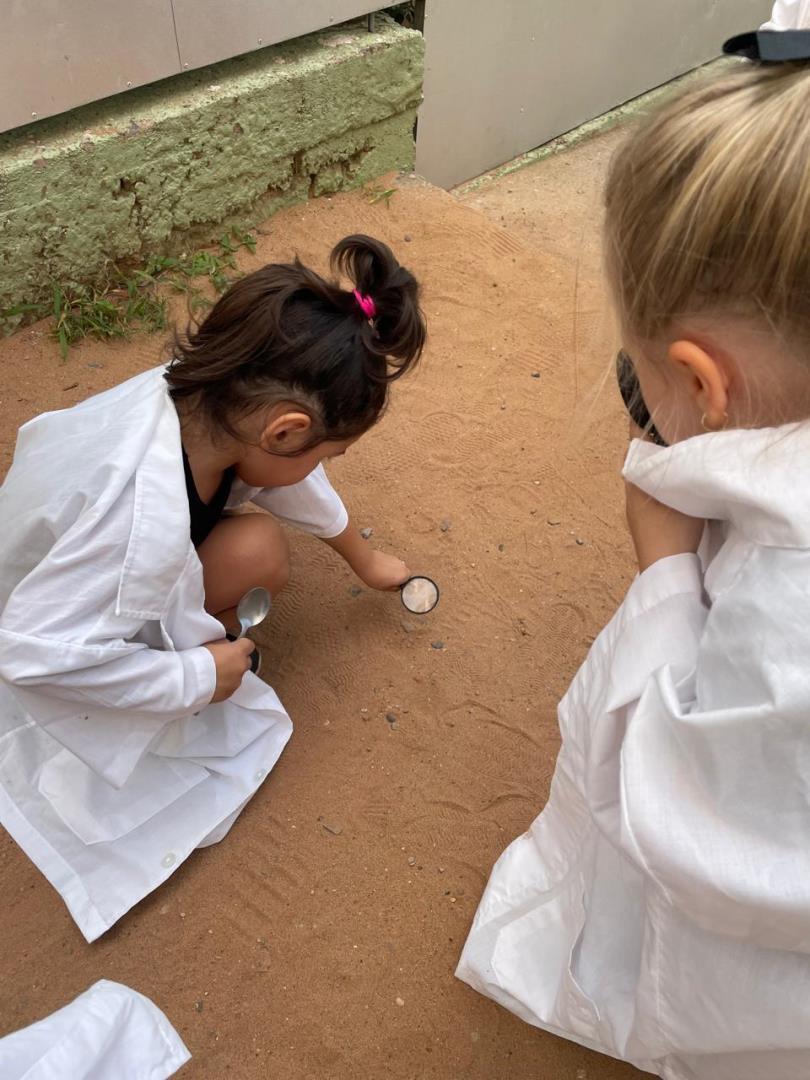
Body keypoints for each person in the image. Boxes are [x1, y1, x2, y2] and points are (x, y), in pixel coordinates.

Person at [457, 12, 810, 1080]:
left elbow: (695, 832)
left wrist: (664, 574)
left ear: (701, 383)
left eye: (640, 367)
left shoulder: (785, 606)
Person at [0, 234, 425, 941]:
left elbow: (293, 480)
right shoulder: (130, 519)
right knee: (249, 590)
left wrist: (364, 558)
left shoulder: (209, 400)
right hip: (41, 622)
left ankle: (184, 643)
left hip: (82, 580)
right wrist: (195, 676)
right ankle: (189, 658)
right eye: (332, 450)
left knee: (260, 547)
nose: (324, 464)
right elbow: (31, 656)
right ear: (285, 432)